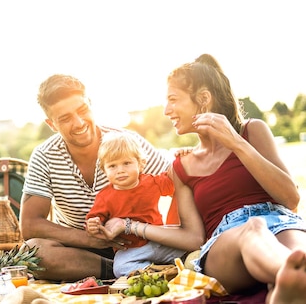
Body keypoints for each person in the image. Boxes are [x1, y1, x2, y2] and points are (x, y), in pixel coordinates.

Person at [97, 54, 306, 302]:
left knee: (300, 256)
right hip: (225, 246)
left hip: (281, 221)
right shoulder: (182, 167)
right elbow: (193, 237)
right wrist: (131, 226)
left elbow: (290, 198)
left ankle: (289, 286)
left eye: (173, 100)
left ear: (203, 99)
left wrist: (237, 143)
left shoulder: (252, 131)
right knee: (255, 229)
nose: (166, 110)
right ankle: (288, 276)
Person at [19, 74, 175, 282]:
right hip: (81, 252)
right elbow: (30, 225)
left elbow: (178, 184)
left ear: (90, 104)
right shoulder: (44, 155)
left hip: (142, 244)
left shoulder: (126, 142)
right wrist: (91, 240)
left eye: (82, 110)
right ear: (52, 124)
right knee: (33, 252)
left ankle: (135, 266)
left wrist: (174, 232)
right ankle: (122, 271)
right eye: (65, 118)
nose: (79, 123)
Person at [85, 132, 187, 277]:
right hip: (131, 249)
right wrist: (93, 224)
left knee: (189, 249)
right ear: (104, 170)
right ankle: (157, 272)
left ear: (141, 164)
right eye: (112, 166)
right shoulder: (104, 197)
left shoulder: (152, 182)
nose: (120, 170)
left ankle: (172, 267)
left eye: (126, 163)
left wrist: (181, 158)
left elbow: (175, 178)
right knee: (120, 268)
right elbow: (94, 220)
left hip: (159, 241)